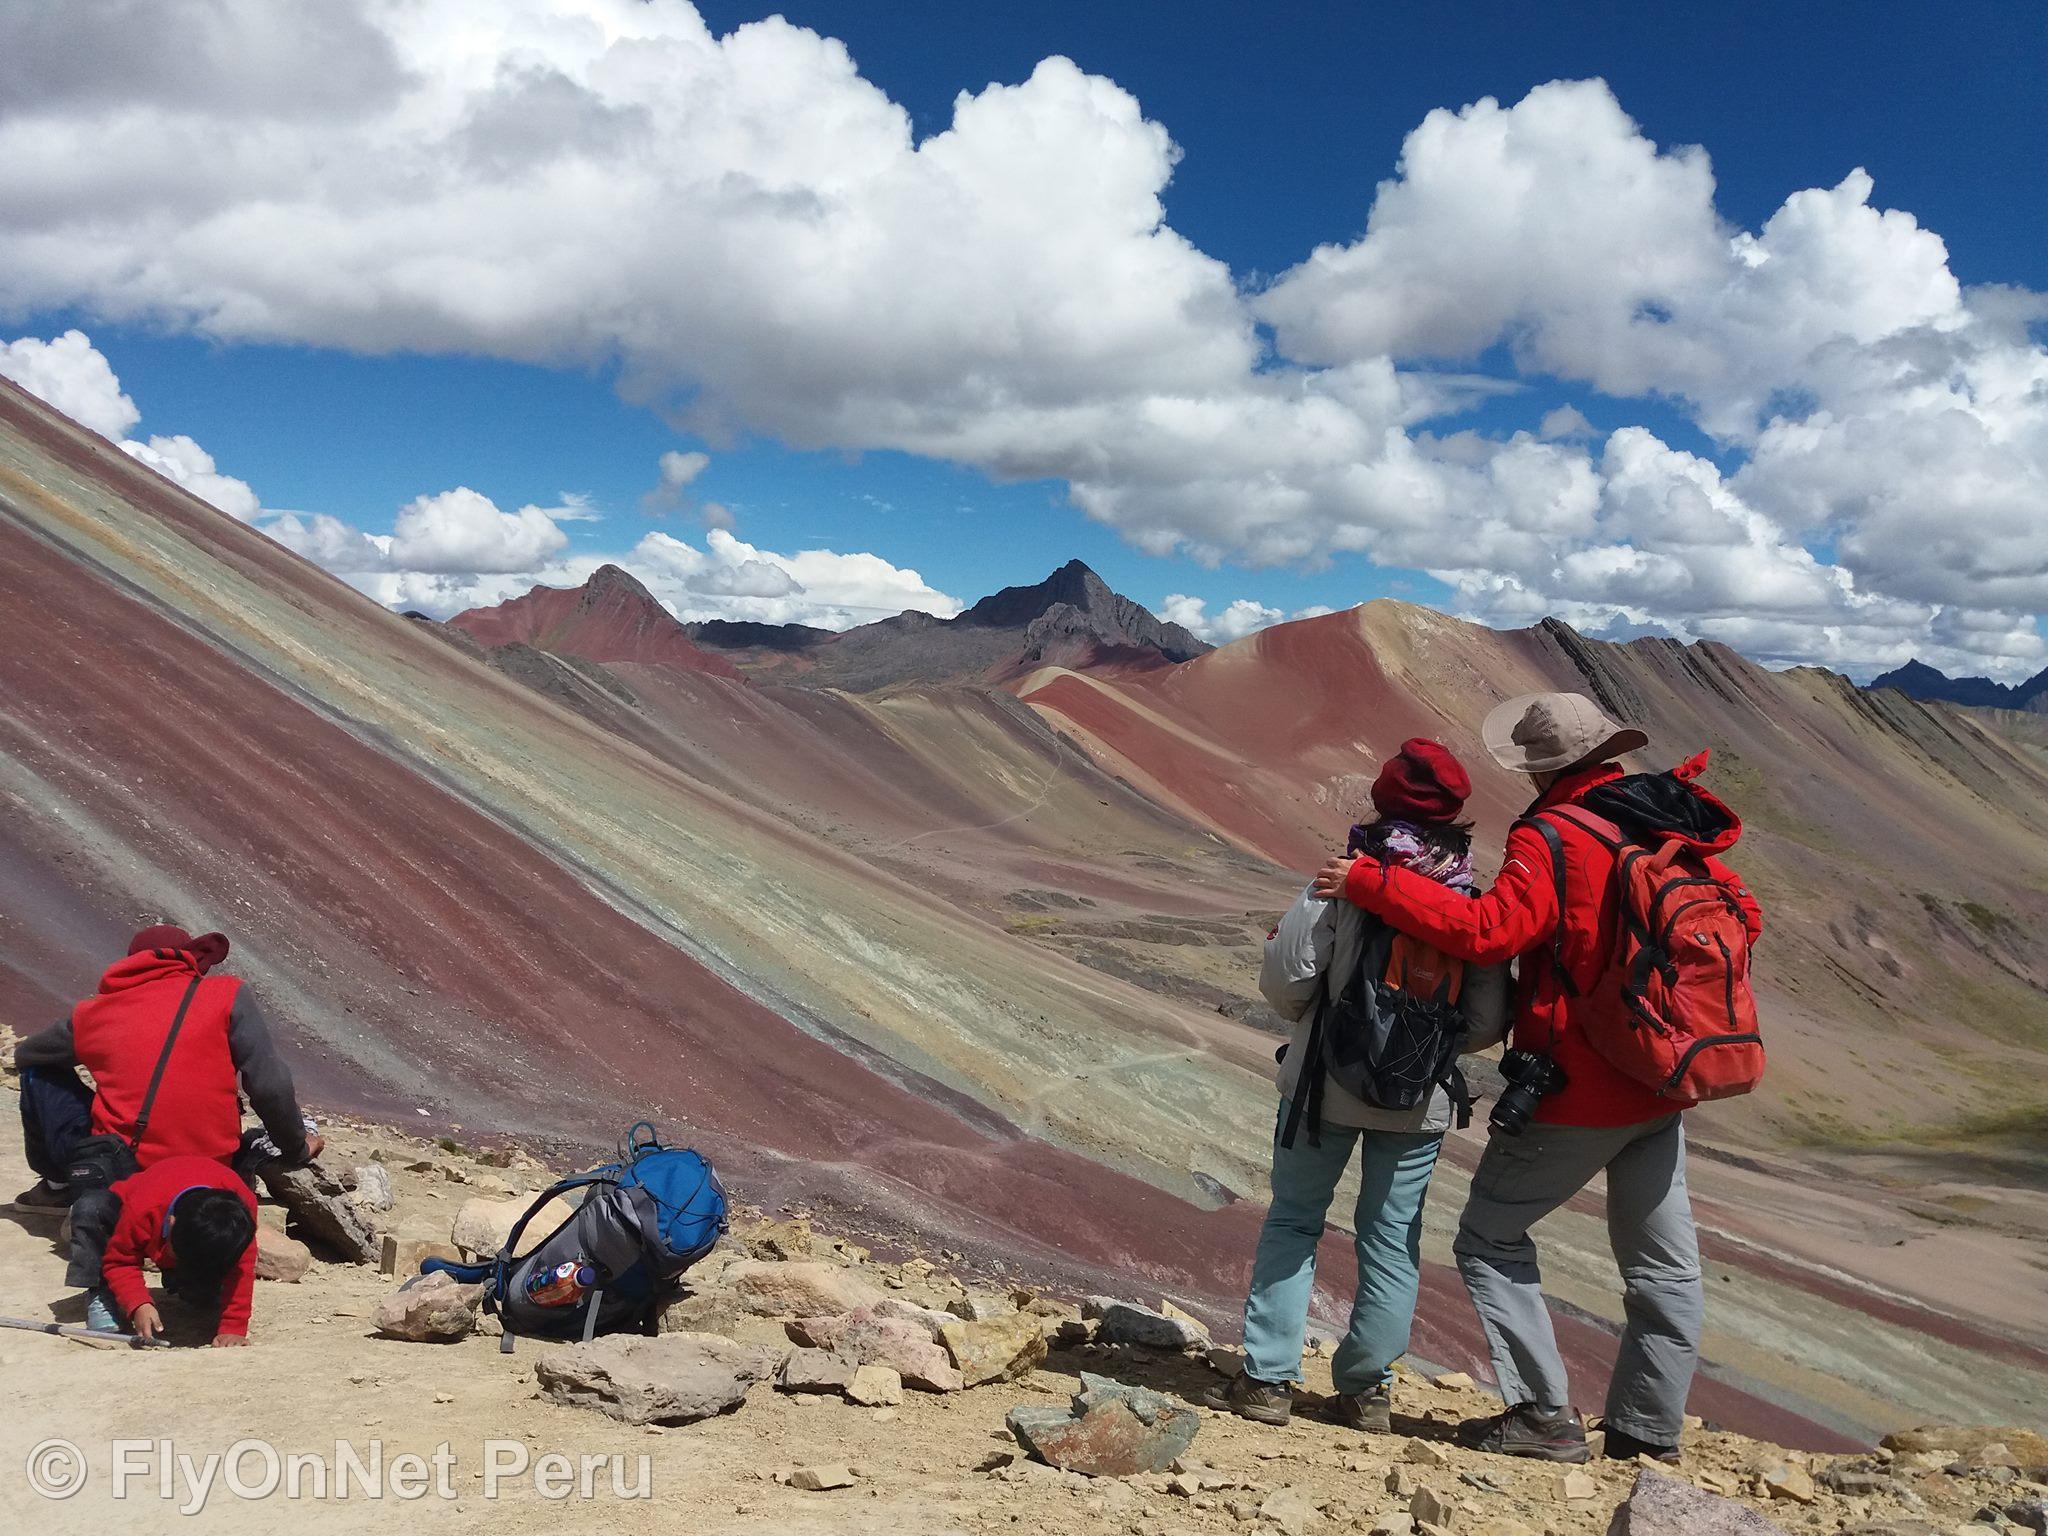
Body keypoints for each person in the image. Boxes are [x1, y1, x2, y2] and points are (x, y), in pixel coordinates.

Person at [1313, 693, 1761, 1465]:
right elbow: (1741, 917)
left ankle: (1545, 1416)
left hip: (1581, 1084)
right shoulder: (1655, 817)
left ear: (1539, 767)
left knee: (1489, 1236)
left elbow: (1492, 930)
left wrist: (1371, 883)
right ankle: (1648, 1431)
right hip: (1663, 1074)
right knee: (1661, 1262)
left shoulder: (1552, 834)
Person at [1207, 739, 1510, 1434]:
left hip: (1322, 1090)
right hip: (1419, 1099)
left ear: (1382, 803)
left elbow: (1286, 978)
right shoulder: (1470, 897)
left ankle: (1267, 1380)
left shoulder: (1349, 876)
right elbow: (1488, 1019)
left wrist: (1321, 1029)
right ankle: (1366, 1390)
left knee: (1293, 1221)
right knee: (1391, 1236)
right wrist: (1424, 1050)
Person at [10, 924, 321, 1311]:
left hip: (121, 1173)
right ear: (190, 959)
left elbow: (29, 1056)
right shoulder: (226, 994)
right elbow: (269, 1084)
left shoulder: (94, 1013)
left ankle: (57, 1185)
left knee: (40, 1072)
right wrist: (294, 1145)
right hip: (209, 1170)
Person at [99, 1155, 260, 1346]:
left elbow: (241, 1269)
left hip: (185, 1234)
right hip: (129, 1205)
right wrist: (138, 1303)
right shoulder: (142, 1208)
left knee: (202, 1298)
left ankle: (188, 1282)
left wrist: (233, 1328)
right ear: (171, 1223)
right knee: (93, 1213)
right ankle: (100, 1294)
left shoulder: (239, 1216)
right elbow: (120, 1260)